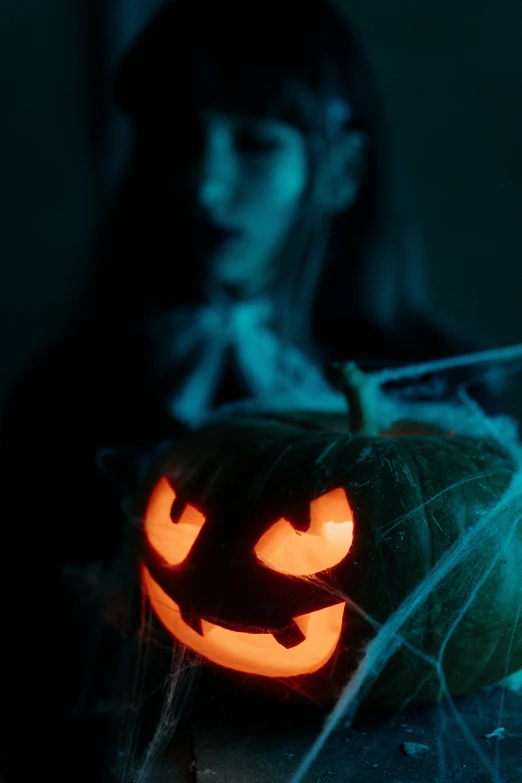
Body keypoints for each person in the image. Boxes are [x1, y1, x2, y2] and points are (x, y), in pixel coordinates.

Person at [0, 1, 508, 780]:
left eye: (256, 141)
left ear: (339, 171)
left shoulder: (449, 399)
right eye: (176, 136)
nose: (204, 183)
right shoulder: (73, 395)